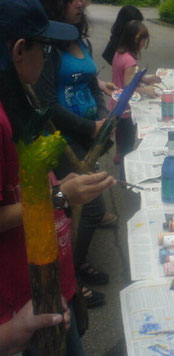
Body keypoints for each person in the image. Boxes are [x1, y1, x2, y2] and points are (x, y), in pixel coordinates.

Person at [0, 0, 115, 353]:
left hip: (53, 276)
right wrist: (63, 196)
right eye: (46, 47)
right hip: (27, 299)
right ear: (21, 50)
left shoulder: (20, 96)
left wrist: (63, 191)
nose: (50, 57)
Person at [35, 0, 115, 307]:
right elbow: (47, 106)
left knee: (80, 208)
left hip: (89, 135)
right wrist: (87, 127)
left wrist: (104, 116)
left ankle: (75, 265)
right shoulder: (47, 48)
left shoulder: (80, 41)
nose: (81, 3)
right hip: (64, 141)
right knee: (88, 207)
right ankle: (70, 281)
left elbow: (92, 83)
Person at [110, 20, 160, 177]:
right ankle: (125, 177)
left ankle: (119, 158)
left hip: (116, 105)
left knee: (120, 139)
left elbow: (127, 78)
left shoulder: (120, 53)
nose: (144, 42)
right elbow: (128, 88)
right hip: (126, 109)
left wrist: (145, 79)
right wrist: (146, 89)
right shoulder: (130, 61)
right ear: (134, 39)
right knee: (127, 145)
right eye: (142, 39)